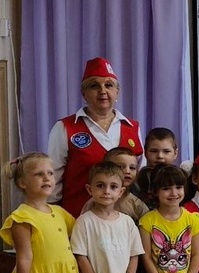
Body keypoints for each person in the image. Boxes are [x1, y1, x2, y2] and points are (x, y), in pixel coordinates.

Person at [48, 57, 144, 217]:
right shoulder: (65, 127)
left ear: (117, 92)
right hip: (77, 218)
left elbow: (138, 176)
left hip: (124, 221)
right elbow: (53, 178)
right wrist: (54, 217)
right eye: (94, 85)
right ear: (83, 93)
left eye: (109, 85)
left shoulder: (133, 127)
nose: (102, 91)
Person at [81, 147, 148, 222]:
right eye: (120, 167)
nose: (127, 171)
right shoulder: (94, 202)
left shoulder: (136, 204)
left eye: (132, 168)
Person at [134, 128, 180, 210]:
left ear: (175, 153)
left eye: (166, 151)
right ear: (145, 152)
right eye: (154, 151)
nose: (160, 156)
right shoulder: (137, 180)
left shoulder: (181, 178)